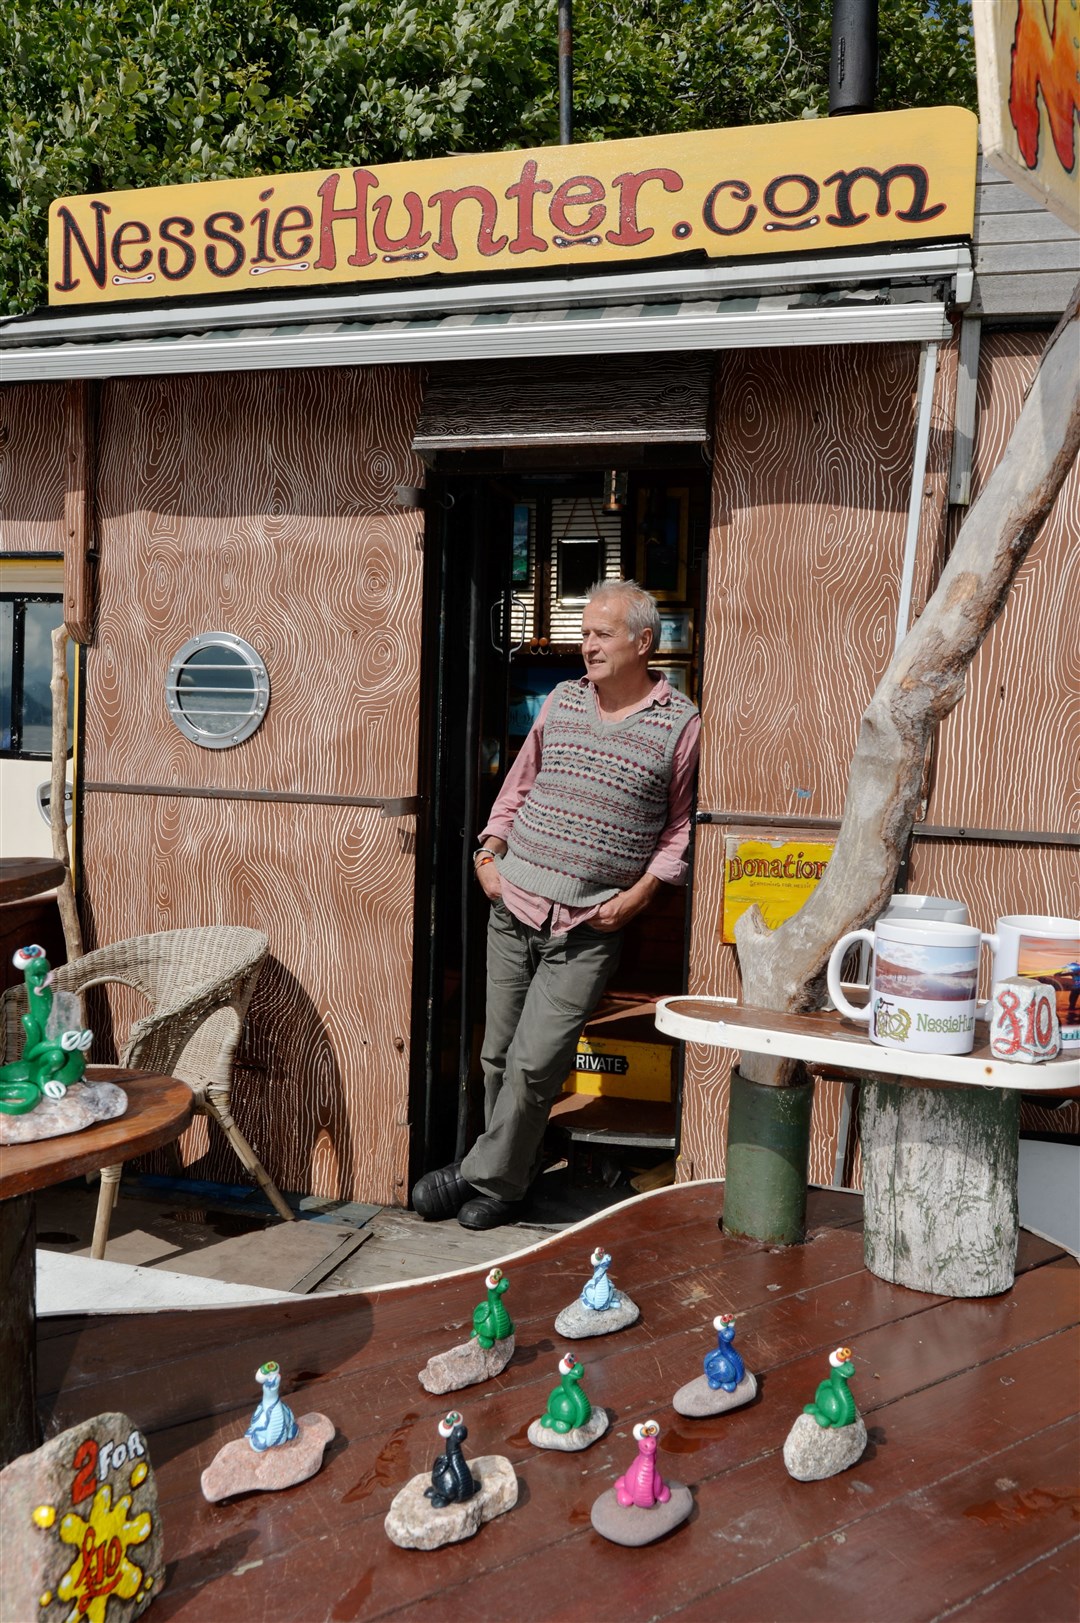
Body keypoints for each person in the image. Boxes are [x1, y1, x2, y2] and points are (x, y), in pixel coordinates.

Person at [411, 579, 701, 1231]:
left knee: (535, 1061)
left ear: (643, 642)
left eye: (601, 633)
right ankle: (509, 1174)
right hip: (513, 902)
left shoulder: (680, 724)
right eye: (585, 632)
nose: (587, 644)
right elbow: (520, 781)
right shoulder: (564, 702)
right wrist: (488, 855)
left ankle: (484, 1176)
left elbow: (680, 827)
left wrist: (639, 896)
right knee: (497, 1054)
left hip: (591, 924)